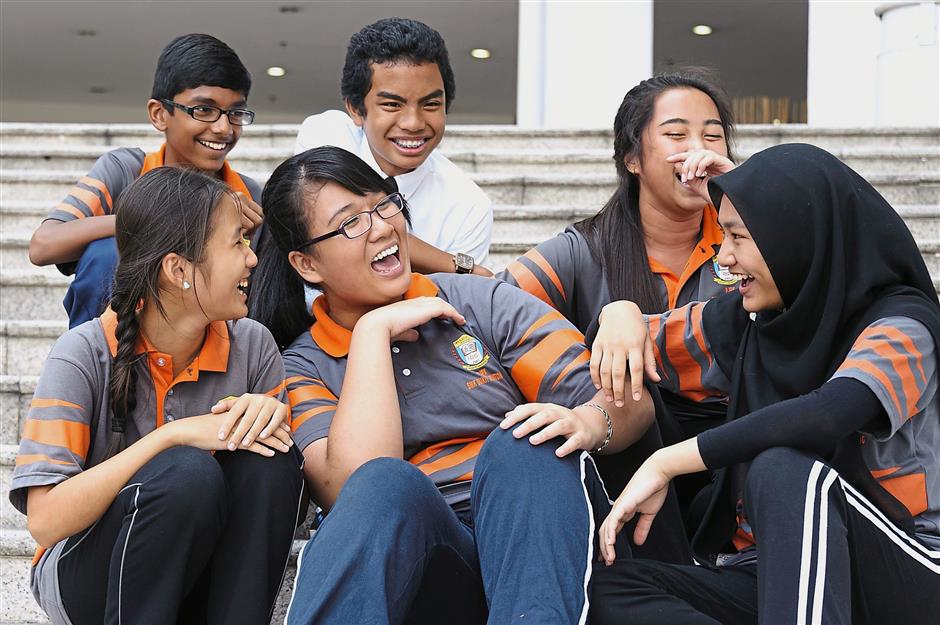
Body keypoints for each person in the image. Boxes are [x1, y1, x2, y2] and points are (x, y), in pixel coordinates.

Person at [248, 146, 656, 625]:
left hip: (542, 537)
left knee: (526, 438)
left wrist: (589, 421)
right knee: (383, 482)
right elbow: (350, 487)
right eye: (350, 223)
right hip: (433, 565)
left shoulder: (480, 302)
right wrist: (372, 333)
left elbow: (630, 404)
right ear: (307, 265)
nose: (381, 228)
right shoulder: (303, 366)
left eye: (384, 205)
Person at [590, 144, 940, 625]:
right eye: (723, 236)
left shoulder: (902, 326)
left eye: (738, 237)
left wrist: (667, 461)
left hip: (903, 568)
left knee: (784, 470)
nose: (725, 258)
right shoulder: (747, 322)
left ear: (793, 238)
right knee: (609, 587)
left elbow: (827, 414)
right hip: (770, 572)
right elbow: (631, 345)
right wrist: (618, 313)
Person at [10, 167, 304, 624]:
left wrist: (268, 417)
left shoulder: (253, 344)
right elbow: (45, 521)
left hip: (200, 565)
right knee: (185, 470)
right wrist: (172, 436)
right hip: (89, 572)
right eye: (236, 243)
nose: (252, 259)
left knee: (270, 456)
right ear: (178, 269)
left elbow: (279, 501)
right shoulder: (83, 352)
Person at [28, 33, 264, 328]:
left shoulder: (246, 196)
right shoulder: (125, 170)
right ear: (159, 114)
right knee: (106, 252)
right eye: (204, 110)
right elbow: (43, 246)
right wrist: (159, 217)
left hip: (212, 337)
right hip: (119, 339)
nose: (223, 128)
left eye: (235, 113)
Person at [294, 17, 493, 275]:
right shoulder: (326, 135)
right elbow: (344, 233)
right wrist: (451, 263)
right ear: (355, 109)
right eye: (392, 105)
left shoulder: (469, 205)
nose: (414, 123)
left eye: (431, 104)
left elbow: (459, 294)